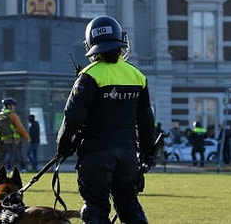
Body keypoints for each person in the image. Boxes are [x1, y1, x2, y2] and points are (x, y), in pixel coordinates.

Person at [56, 15, 156, 224]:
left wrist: (63, 146)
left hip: (96, 154)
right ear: (122, 42)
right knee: (130, 207)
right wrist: (147, 152)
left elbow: (72, 117)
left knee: (95, 209)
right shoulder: (137, 76)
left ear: (91, 44)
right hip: (128, 156)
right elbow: (146, 120)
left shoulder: (89, 75)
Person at [0, 97, 30, 172]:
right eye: (13, 105)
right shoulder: (13, 115)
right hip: (12, 141)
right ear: (9, 106)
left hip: (1, 141)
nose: (14, 107)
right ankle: (15, 171)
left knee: (1, 159)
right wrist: (27, 137)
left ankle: (1, 172)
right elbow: (20, 128)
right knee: (14, 158)